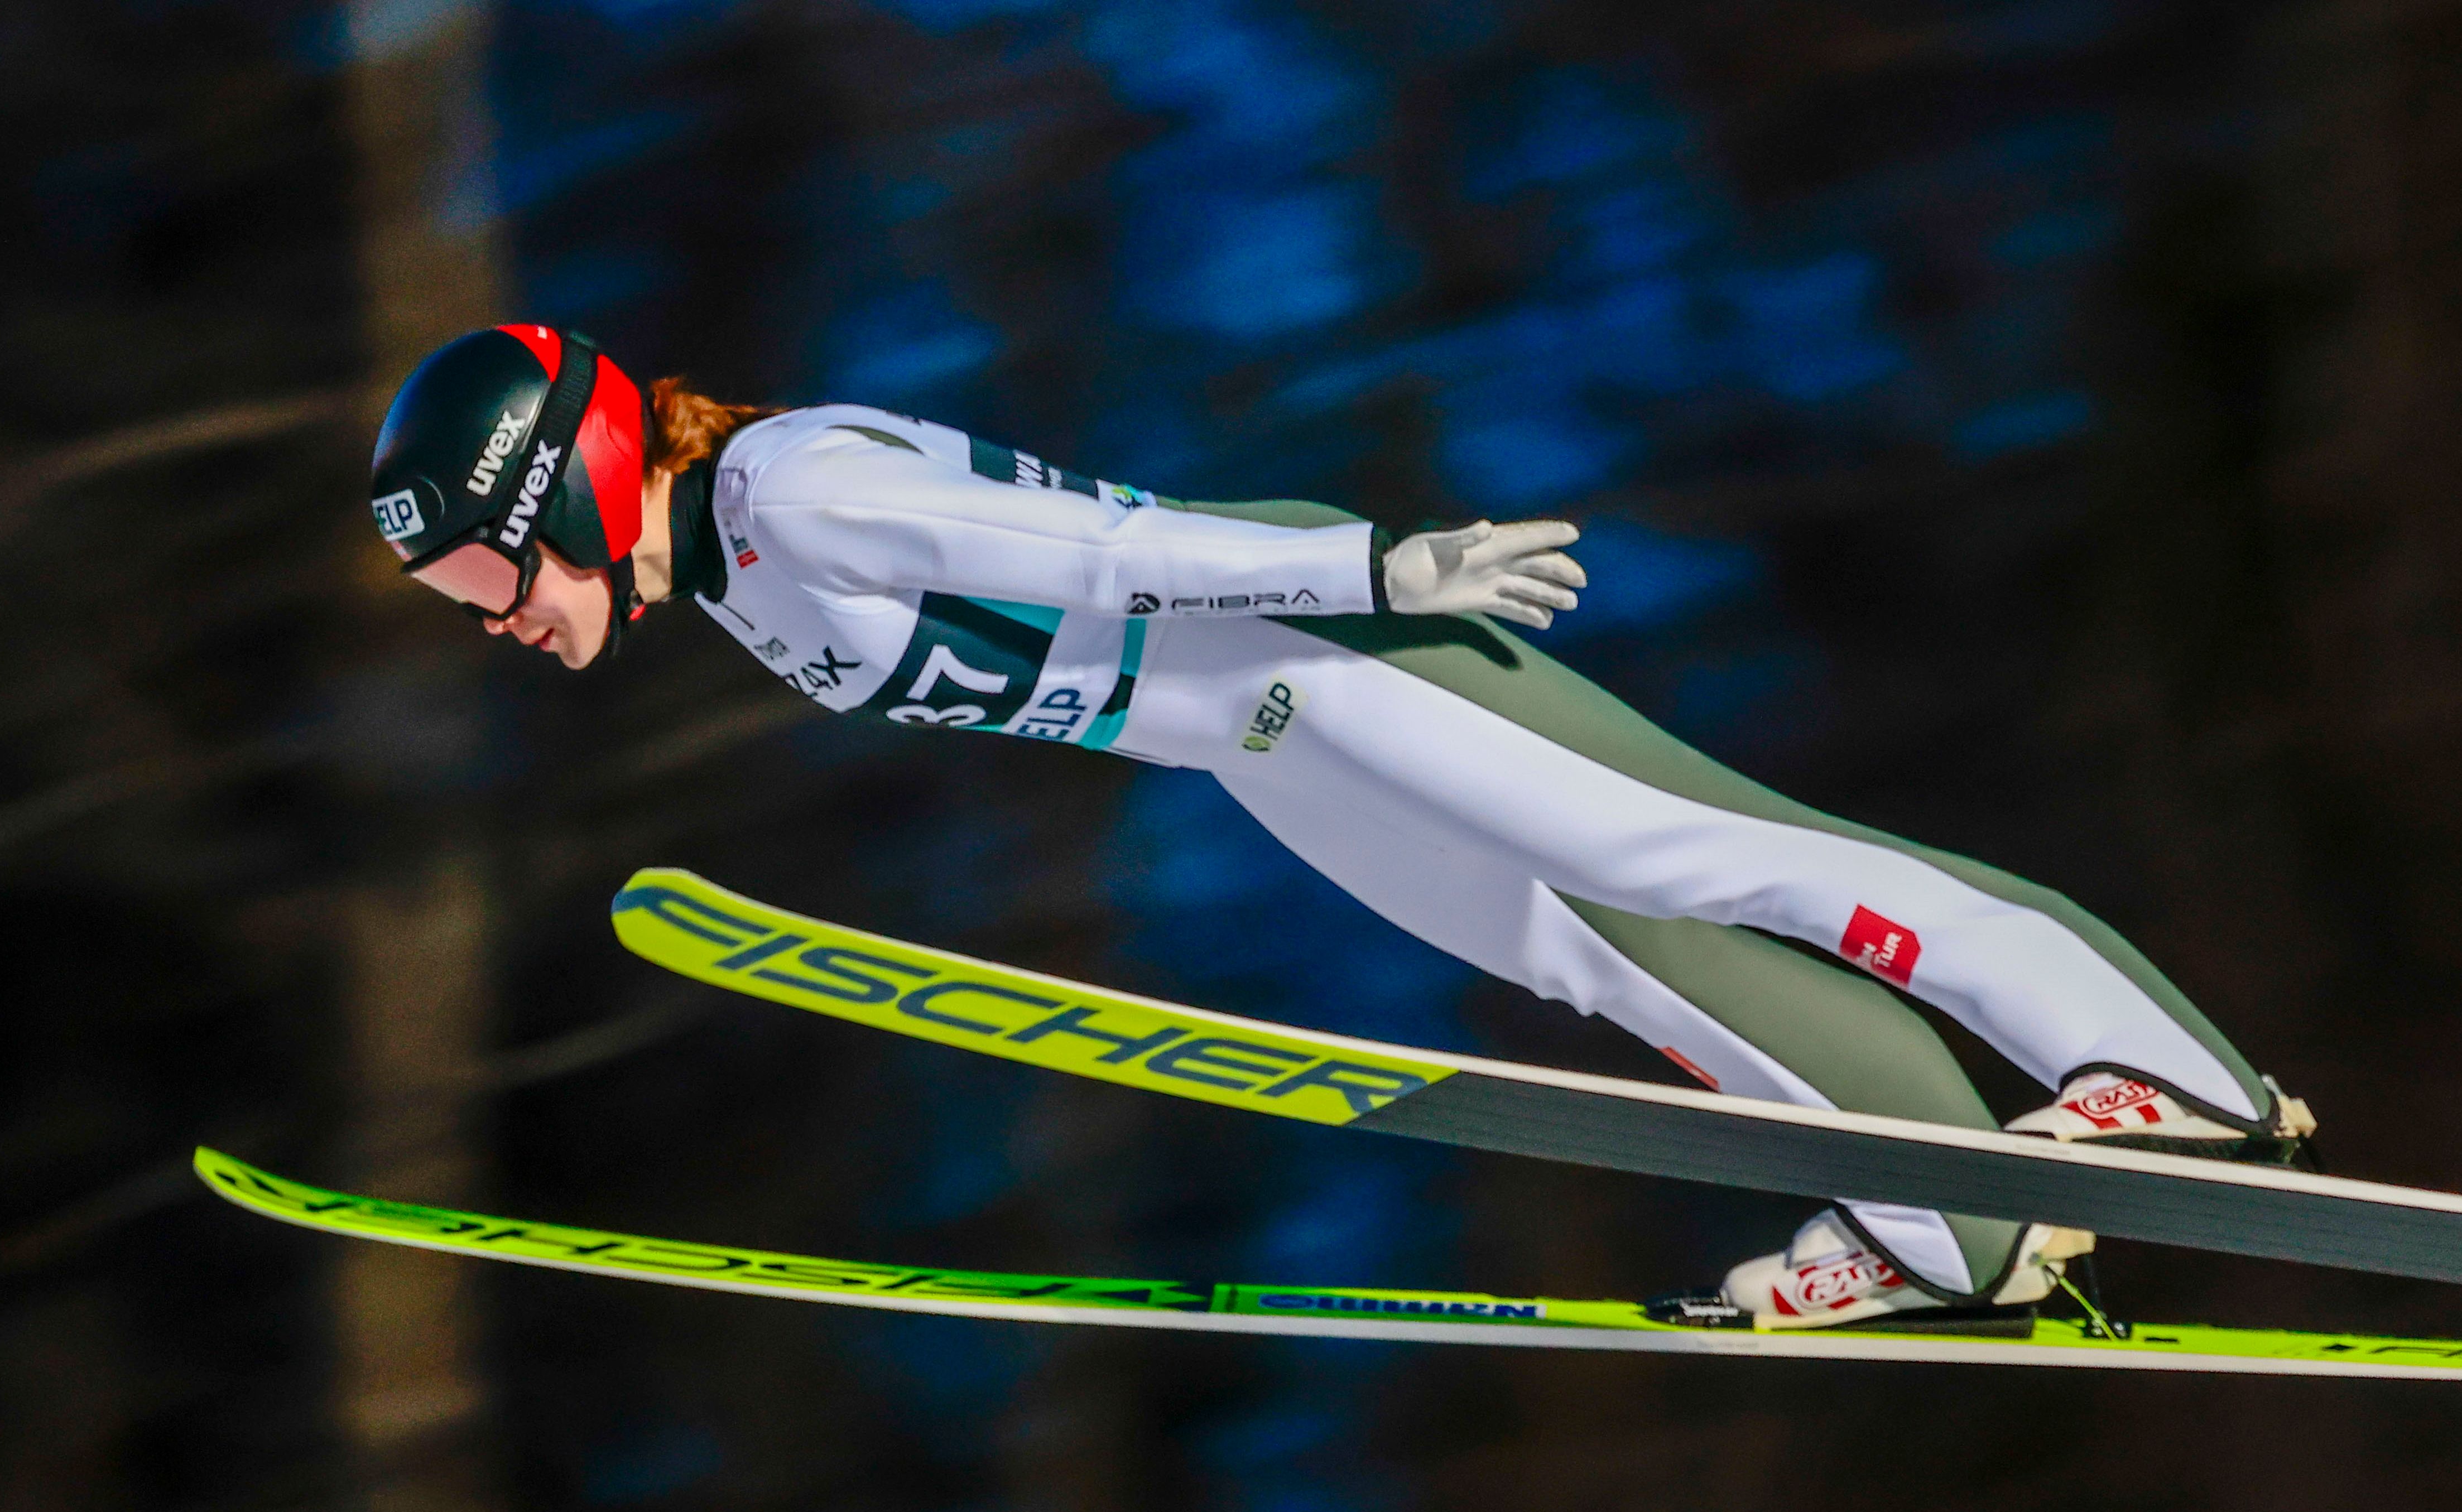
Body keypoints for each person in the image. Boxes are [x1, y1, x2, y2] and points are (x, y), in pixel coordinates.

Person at [369, 324, 2314, 1331]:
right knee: (1601, 959)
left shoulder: (788, 495)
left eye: (480, 574)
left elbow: (1100, 556)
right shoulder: (729, 576)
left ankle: (2165, 1075)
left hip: (1309, 635)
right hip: (1257, 735)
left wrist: (1379, 570)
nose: (493, 622)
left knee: (1696, 852)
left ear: (568, 483)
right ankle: (1954, 1226)